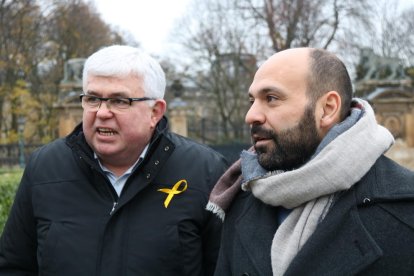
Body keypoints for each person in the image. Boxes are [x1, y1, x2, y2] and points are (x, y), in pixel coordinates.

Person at [0, 45, 228, 275]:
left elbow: (224, 267)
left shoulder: (206, 171)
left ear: (155, 112)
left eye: (119, 101)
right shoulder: (44, 167)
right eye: (92, 99)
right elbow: (14, 265)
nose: (101, 112)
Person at [206, 47, 414, 276]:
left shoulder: (404, 208)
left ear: (327, 109)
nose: (251, 115)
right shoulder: (241, 197)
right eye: (252, 100)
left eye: (271, 98)